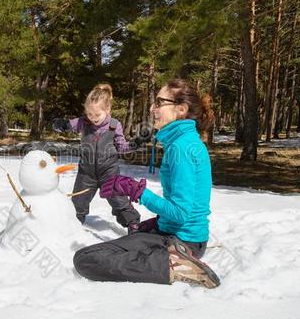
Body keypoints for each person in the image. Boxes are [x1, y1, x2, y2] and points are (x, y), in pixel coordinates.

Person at [72, 78, 220, 288]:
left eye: (159, 102)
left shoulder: (182, 148)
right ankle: (172, 257)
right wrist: (155, 224)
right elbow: (188, 204)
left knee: (86, 259)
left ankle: (173, 265)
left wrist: (137, 191)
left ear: (180, 109)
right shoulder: (182, 142)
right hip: (181, 236)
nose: (152, 108)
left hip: (183, 240)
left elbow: (181, 213)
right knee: (129, 238)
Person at [52, 83, 146, 234]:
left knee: (118, 199)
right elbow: (68, 124)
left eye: (97, 115)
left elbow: (122, 148)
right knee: (78, 200)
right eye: (89, 114)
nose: (93, 118)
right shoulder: (84, 122)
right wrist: (61, 124)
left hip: (109, 172)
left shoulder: (114, 126)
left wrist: (136, 143)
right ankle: (73, 224)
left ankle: (133, 224)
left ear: (107, 110)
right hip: (86, 172)